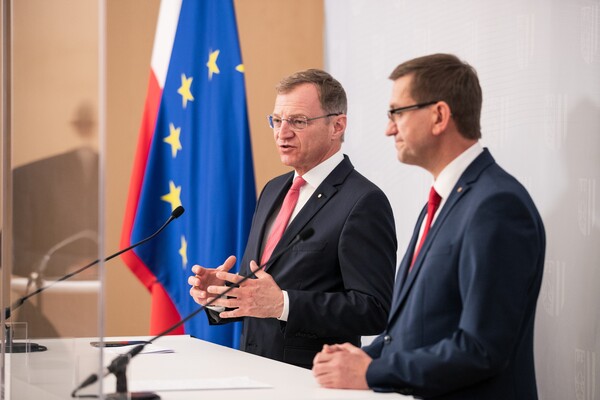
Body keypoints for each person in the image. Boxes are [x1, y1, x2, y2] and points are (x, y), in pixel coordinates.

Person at [312, 54, 546, 399]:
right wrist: (364, 356)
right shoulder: (440, 202)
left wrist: (372, 371)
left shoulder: (497, 206)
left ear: (438, 116)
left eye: (398, 113)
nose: (389, 128)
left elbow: (482, 348)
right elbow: (418, 326)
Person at [188, 69, 397, 369]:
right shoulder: (273, 190)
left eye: (298, 121)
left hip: (311, 381)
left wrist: (284, 304)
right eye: (276, 120)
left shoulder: (363, 201)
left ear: (337, 126)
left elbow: (374, 309)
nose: (282, 132)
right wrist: (222, 295)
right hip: (253, 372)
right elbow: (258, 288)